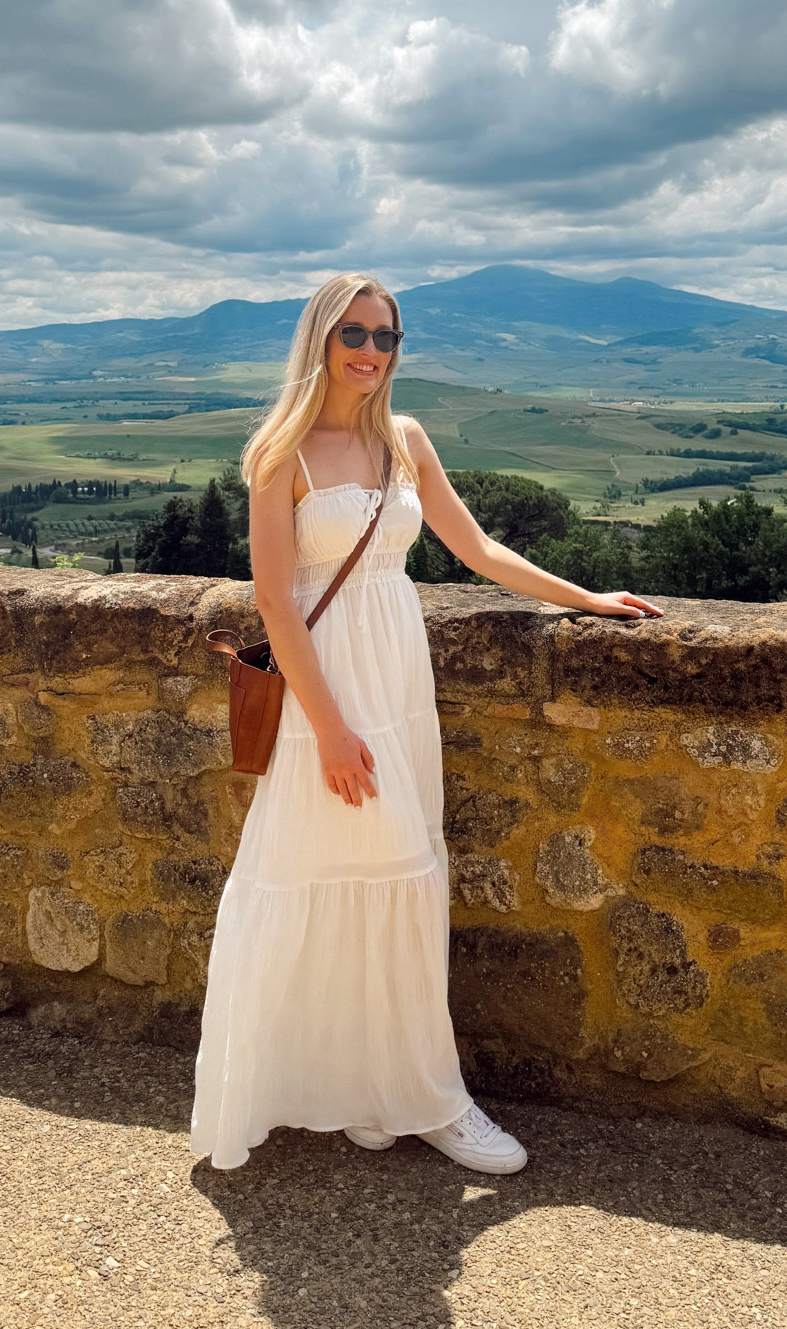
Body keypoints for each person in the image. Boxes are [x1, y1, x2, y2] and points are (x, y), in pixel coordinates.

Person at [190, 272, 662, 1173]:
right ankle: (416, 1098)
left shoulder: (406, 441)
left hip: (398, 683)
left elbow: (478, 549)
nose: (371, 352)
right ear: (322, 339)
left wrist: (589, 600)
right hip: (326, 693)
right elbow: (274, 605)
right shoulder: (278, 453)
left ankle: (396, 1091)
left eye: (387, 337)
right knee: (342, 873)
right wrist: (327, 728)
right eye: (355, 334)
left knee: (402, 878)